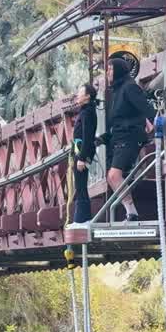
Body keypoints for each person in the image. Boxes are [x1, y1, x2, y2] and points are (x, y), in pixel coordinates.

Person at [105, 57, 155, 221]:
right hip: (119, 137)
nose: (108, 73)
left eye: (111, 69)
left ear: (119, 70)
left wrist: (153, 122)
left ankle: (132, 212)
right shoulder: (117, 90)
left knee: (114, 175)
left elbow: (144, 107)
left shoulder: (130, 87)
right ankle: (131, 212)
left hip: (130, 136)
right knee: (111, 177)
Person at [71, 82, 98, 225]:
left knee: (81, 185)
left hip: (83, 153)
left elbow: (87, 137)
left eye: (80, 93)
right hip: (79, 151)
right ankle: (82, 217)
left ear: (87, 96)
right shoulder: (84, 111)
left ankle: (82, 219)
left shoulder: (87, 112)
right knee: (80, 184)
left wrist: (82, 158)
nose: (77, 95)